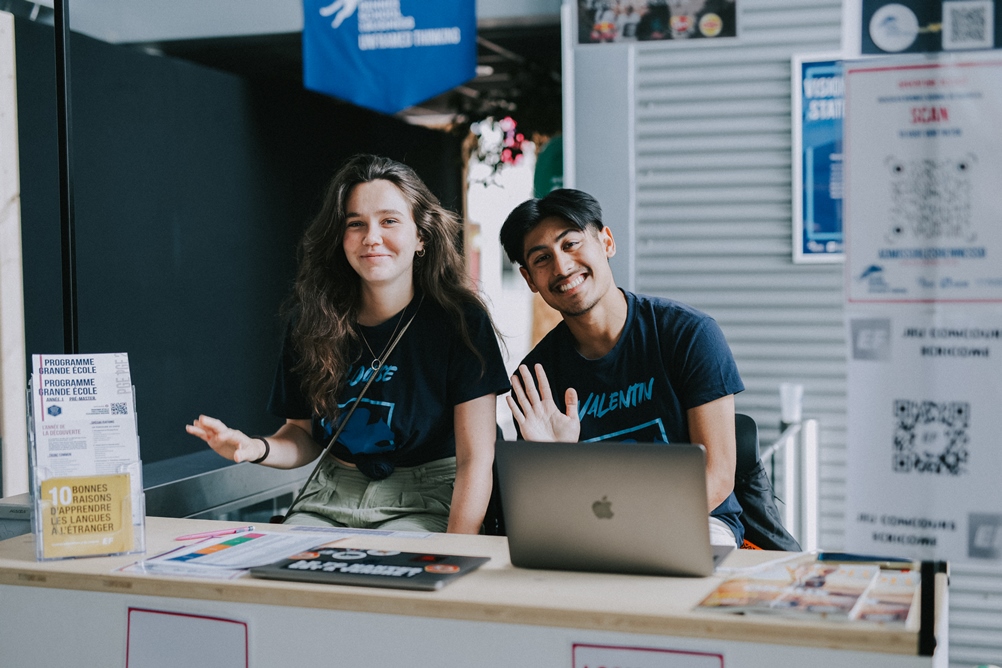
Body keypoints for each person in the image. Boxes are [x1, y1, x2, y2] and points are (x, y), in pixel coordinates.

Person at [187, 154, 510, 534]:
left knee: (392, 583)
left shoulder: (460, 321)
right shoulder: (311, 322)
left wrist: (456, 550)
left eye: (389, 221)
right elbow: (303, 436)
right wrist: (252, 447)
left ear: (420, 235)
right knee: (278, 581)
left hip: (427, 499)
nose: (371, 237)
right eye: (356, 224)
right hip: (329, 495)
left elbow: (475, 458)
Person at [499, 188, 745, 547]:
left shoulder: (688, 334)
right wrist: (553, 459)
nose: (562, 267)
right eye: (542, 259)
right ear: (529, 280)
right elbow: (541, 508)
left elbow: (718, 474)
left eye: (571, 244)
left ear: (606, 242)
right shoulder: (536, 376)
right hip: (589, 529)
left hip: (699, 519)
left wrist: (631, 531)